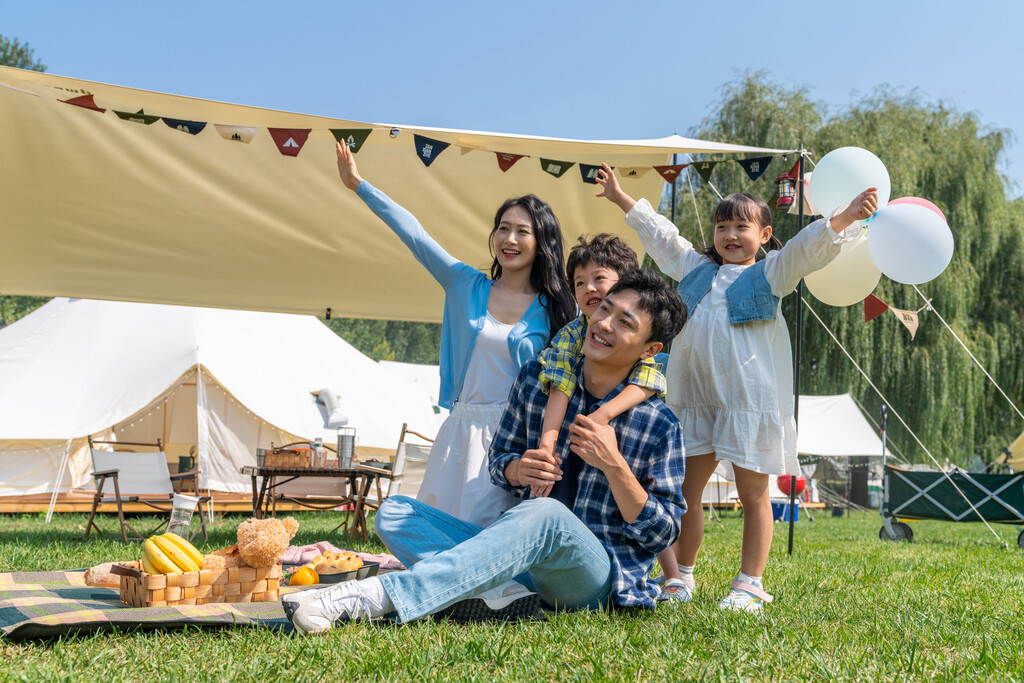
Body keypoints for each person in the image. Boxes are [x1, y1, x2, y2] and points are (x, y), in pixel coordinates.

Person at [283, 269, 688, 633]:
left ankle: (372, 598)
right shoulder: (537, 379)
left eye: (624, 322)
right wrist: (518, 470)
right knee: (396, 513)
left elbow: (662, 532)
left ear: (649, 350)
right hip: (523, 561)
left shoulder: (658, 423)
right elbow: (499, 462)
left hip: (594, 580)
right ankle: (504, 594)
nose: (602, 323)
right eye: (605, 309)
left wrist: (616, 467)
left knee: (547, 515)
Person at [596, 163, 877, 612]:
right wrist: (619, 196)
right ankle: (679, 575)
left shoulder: (771, 273)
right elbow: (663, 236)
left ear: (764, 235)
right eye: (722, 225)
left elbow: (806, 249)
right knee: (686, 493)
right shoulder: (695, 269)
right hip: (696, 399)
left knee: (754, 493)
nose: (730, 234)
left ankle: (749, 583)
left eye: (741, 227)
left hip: (749, 402)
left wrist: (843, 218)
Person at [333, 141, 575, 526]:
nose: (510, 239)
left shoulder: (555, 307)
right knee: (439, 527)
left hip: (514, 436)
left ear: (540, 241)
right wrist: (359, 184)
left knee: (492, 534)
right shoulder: (465, 285)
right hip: (460, 430)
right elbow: (415, 234)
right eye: (503, 229)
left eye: (522, 232)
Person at [533, 234, 667, 497]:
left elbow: (651, 381)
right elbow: (560, 380)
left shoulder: (637, 342)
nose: (588, 288)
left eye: (599, 279)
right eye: (579, 283)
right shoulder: (571, 335)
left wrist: (602, 415)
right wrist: (546, 446)